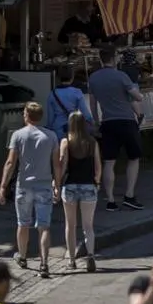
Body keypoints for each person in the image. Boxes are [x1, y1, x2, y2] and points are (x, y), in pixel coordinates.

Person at [0, 102, 60, 278]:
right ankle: (44, 263)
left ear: (26, 115)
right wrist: (57, 184)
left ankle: (23, 257)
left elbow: (10, 162)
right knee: (44, 226)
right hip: (44, 185)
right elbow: (56, 164)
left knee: (23, 223)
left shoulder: (18, 135)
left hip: (24, 185)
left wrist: (3, 186)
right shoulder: (51, 136)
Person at [88, 47, 144, 211]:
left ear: (101, 59)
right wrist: (136, 94)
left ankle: (111, 200)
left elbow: (93, 104)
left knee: (109, 161)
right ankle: (129, 195)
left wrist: (96, 122)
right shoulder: (121, 76)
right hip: (126, 121)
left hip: (108, 122)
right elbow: (137, 97)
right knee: (134, 157)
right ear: (114, 59)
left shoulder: (93, 78)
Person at [59, 111, 100, 273]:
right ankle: (90, 255)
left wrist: (56, 182)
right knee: (88, 226)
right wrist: (97, 182)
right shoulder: (92, 142)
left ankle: (71, 260)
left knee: (70, 225)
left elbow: (63, 166)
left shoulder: (66, 142)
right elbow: (98, 167)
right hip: (88, 185)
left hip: (70, 186)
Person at [44, 66, 92, 140]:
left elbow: (50, 118)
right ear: (72, 78)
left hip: (58, 130)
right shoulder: (77, 92)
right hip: (74, 127)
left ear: (59, 78)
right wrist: (91, 122)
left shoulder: (52, 94)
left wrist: (49, 128)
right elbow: (85, 113)